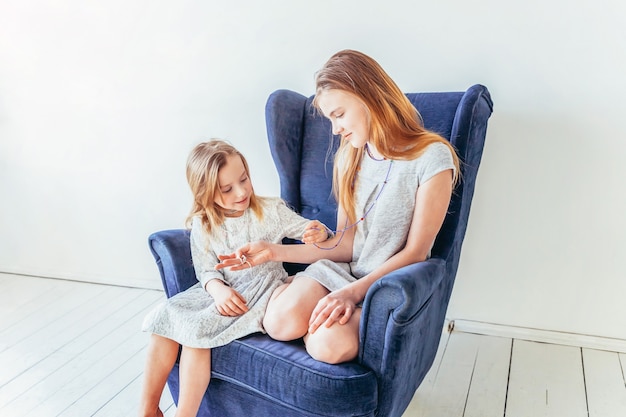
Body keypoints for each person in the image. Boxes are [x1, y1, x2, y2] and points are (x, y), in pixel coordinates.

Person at [216, 49, 461, 365]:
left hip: (382, 288)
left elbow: (416, 252)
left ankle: (320, 319)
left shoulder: (432, 158)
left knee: (328, 346)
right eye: (331, 118)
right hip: (339, 273)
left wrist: (352, 294)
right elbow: (346, 245)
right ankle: (302, 306)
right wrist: (274, 252)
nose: (335, 129)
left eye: (339, 114)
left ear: (369, 97)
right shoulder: (350, 157)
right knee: (280, 323)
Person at [138, 139, 330, 417]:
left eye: (244, 179)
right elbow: (205, 270)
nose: (241, 192)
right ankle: (148, 409)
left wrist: (318, 232)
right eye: (227, 189)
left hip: (260, 291)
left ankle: (184, 414)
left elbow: (307, 231)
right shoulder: (204, 223)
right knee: (166, 316)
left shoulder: (270, 210)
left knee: (196, 333)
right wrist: (217, 290)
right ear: (205, 194)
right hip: (221, 290)